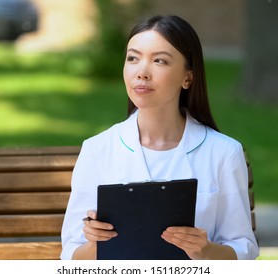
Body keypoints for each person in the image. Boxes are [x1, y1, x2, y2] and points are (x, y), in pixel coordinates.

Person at [60, 15, 259, 260]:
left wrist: (206, 251)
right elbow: (71, 255)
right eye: (133, 58)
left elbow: (243, 251)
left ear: (188, 77)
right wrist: (95, 244)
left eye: (160, 61)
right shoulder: (97, 150)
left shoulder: (223, 153)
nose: (142, 72)